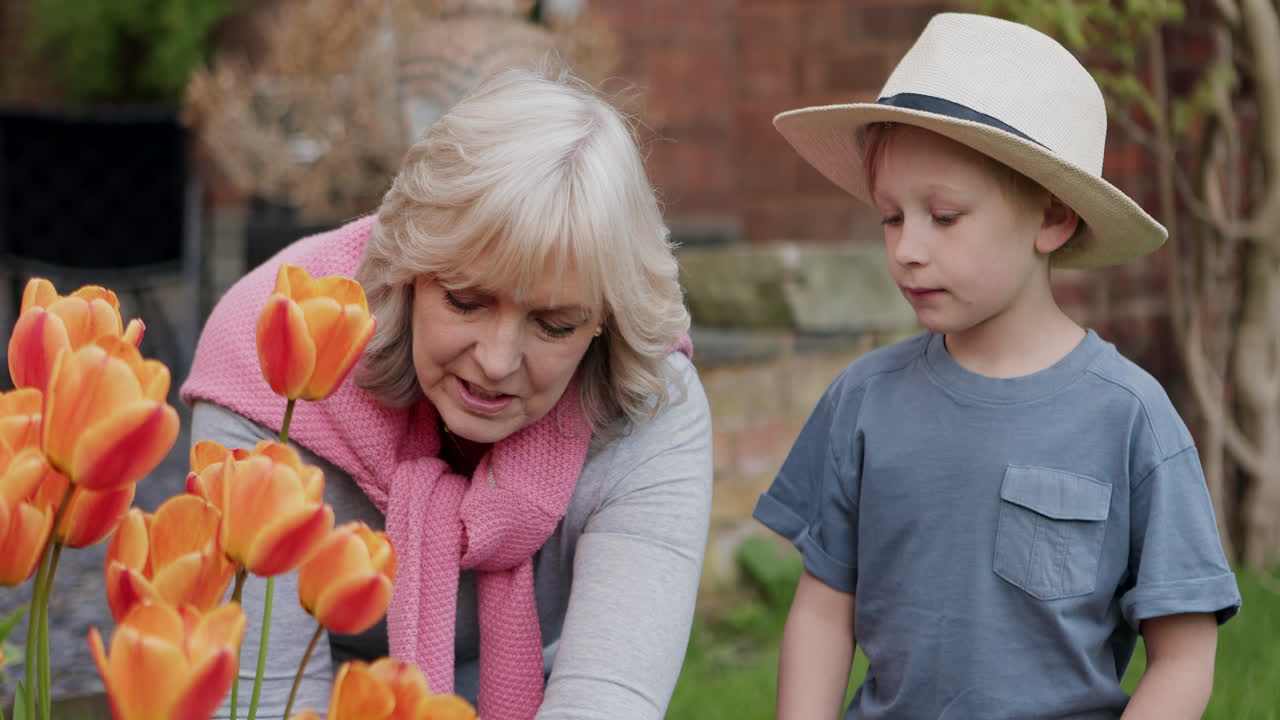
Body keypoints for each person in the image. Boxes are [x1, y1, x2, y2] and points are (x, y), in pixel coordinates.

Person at [181, 67, 713, 720]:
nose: (496, 361)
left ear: (606, 322)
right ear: (406, 271)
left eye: (554, 325)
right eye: (465, 301)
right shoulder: (275, 357)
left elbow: (607, 700)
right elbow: (260, 701)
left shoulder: (652, 402)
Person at [752, 12, 1241, 720]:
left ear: (1052, 218)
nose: (907, 249)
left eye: (944, 216)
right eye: (892, 216)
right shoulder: (863, 400)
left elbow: (1185, 654)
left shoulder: (1128, 417)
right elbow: (825, 613)